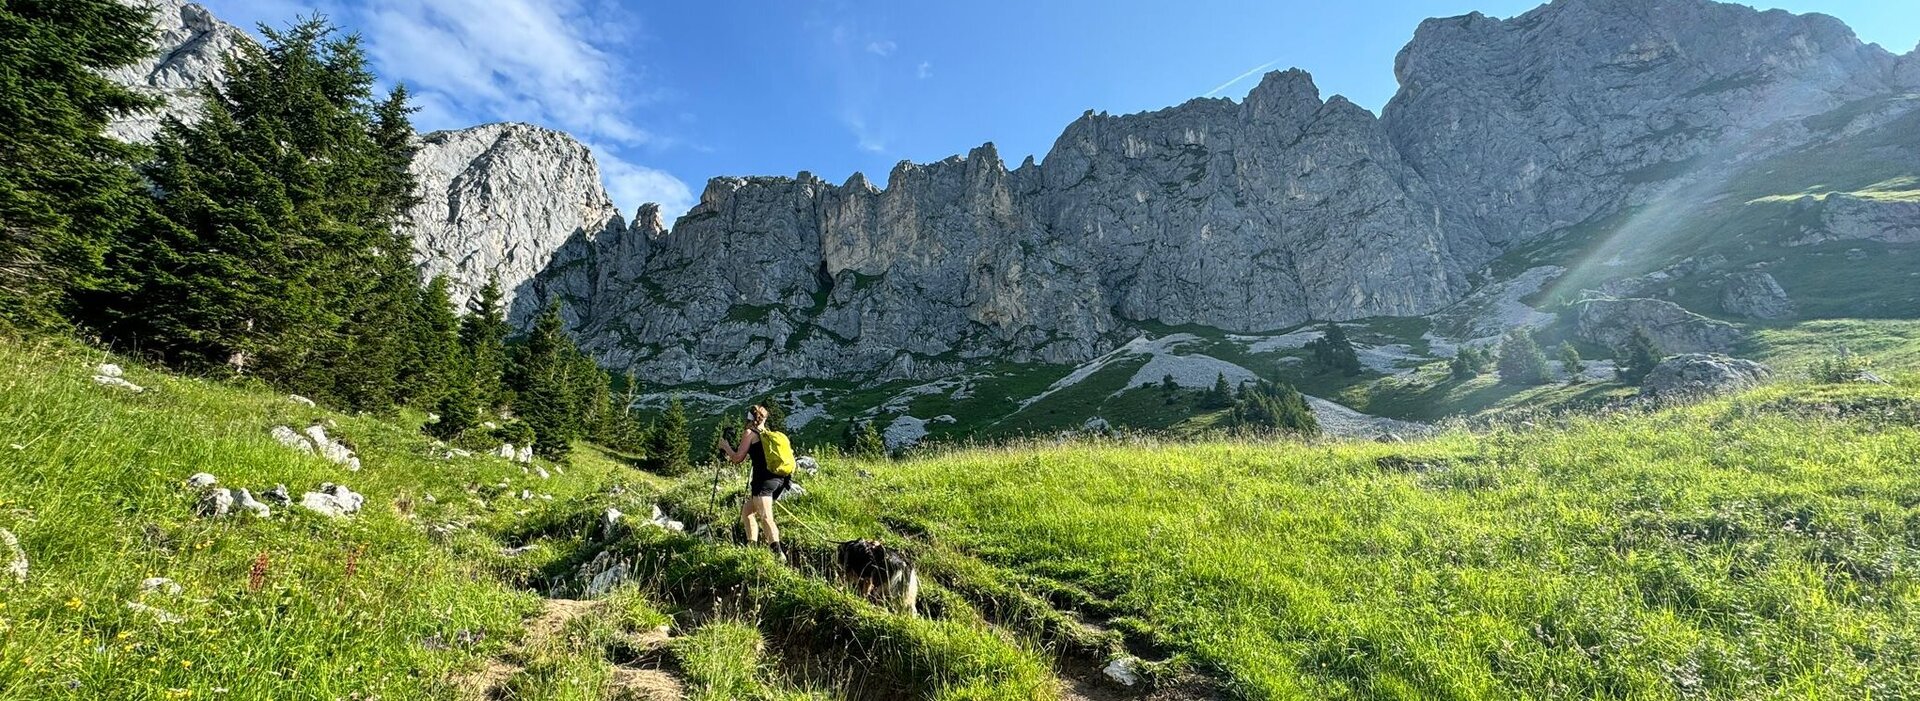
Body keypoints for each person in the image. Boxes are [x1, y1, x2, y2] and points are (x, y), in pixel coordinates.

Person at [718, 405, 785, 554]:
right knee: (747, 510)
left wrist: (725, 446)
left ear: (749, 418)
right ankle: (751, 548)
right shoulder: (767, 434)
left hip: (763, 481)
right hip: (779, 480)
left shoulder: (750, 433)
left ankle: (778, 553)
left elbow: (737, 458)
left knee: (766, 517)